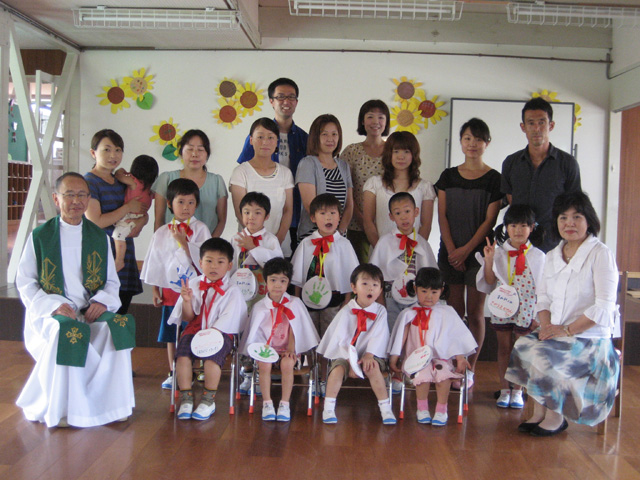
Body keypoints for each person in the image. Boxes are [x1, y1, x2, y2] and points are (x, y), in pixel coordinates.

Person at [15, 172, 135, 428]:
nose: (76, 201)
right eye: (69, 195)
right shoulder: (40, 236)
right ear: (56, 199)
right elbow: (26, 282)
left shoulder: (99, 237)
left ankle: (111, 405)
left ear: (89, 199)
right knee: (67, 332)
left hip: (89, 308)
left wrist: (102, 301)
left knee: (117, 326)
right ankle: (65, 409)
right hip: (55, 312)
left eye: (82, 195)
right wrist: (53, 306)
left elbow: (111, 281)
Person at [506, 191, 620, 437]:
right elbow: (543, 298)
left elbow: (604, 306)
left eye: (576, 217)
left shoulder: (600, 254)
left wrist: (567, 330)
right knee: (526, 345)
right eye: (563, 217)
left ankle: (556, 417)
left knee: (547, 353)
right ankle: (539, 412)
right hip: (557, 331)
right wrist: (546, 327)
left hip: (589, 338)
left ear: (589, 220)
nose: (569, 223)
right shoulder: (552, 255)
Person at [435, 118, 503, 382]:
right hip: (450, 251)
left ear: (487, 143)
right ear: (460, 142)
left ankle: (470, 369)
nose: (472, 144)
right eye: (467, 138)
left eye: (478, 139)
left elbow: (489, 221)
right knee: (453, 312)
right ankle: (454, 364)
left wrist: (465, 251)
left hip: (479, 254)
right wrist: (453, 249)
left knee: (475, 312)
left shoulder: (494, 179)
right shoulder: (448, 176)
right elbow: (442, 215)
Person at [139, 179, 211, 390]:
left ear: (196, 204)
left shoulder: (200, 229)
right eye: (181, 202)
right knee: (172, 332)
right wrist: (155, 289)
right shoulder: (162, 231)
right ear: (170, 203)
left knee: (193, 329)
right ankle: (173, 371)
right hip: (170, 291)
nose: (186, 207)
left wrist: (184, 242)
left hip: (194, 291)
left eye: (191, 202)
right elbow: (156, 262)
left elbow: (205, 259)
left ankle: (194, 369)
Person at [475, 204, 545, 409]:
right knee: (504, 347)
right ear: (506, 227)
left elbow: (543, 289)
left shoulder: (538, 256)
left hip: (527, 308)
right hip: (503, 307)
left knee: (521, 349)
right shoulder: (499, 253)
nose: (518, 230)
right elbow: (489, 281)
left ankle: (518, 390)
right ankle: (505, 389)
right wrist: (489, 260)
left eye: (523, 225)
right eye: (513, 225)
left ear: (532, 227)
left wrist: (539, 316)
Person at [169, 238, 248, 421]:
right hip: (195, 329)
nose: (214, 266)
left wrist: (209, 337)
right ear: (200, 263)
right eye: (209, 261)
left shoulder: (233, 291)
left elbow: (229, 321)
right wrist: (187, 301)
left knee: (212, 359)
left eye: (220, 262)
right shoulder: (193, 284)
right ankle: (186, 397)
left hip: (220, 333)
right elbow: (188, 317)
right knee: (182, 356)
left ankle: (208, 400)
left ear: (229, 265)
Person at [388, 268, 477, 426]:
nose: (429, 296)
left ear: (441, 291)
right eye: (424, 291)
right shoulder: (409, 313)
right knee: (422, 375)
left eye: (434, 292)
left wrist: (460, 358)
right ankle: (422, 408)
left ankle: (441, 409)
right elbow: (401, 337)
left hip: (441, 358)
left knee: (443, 375)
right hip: (417, 360)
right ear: (415, 289)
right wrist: (394, 358)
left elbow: (455, 336)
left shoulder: (447, 312)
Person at [291, 194, 359, 395]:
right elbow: (298, 276)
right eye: (322, 213)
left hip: (335, 301)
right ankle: (312, 376)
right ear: (313, 218)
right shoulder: (306, 244)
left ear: (339, 217)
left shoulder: (344, 244)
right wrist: (298, 302)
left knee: (328, 341)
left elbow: (350, 276)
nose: (328, 217)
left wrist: (347, 302)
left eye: (332, 213)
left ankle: (324, 378)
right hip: (308, 302)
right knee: (311, 339)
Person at [239, 257, 320, 422]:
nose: (278, 285)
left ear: (288, 282)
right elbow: (257, 333)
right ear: (266, 281)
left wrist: (291, 349)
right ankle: (267, 403)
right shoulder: (259, 306)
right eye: (273, 280)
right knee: (264, 364)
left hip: (289, 350)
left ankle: (284, 403)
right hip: (267, 349)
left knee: (287, 363)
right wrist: (264, 351)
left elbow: (296, 329)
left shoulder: (295, 303)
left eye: (283, 281)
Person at [317, 264, 395, 425]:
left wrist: (369, 355)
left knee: (373, 368)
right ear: (354, 287)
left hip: (371, 354)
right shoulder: (346, 310)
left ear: (381, 290)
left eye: (375, 285)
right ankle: (329, 407)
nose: (370, 289)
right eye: (365, 283)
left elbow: (379, 336)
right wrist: (350, 361)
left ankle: (385, 408)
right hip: (345, 355)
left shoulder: (381, 311)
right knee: (337, 370)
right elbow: (341, 338)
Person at [501, 97, 581, 253]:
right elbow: (511, 198)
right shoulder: (511, 162)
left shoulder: (567, 163)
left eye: (542, 122)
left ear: (551, 125)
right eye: (531, 123)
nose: (536, 128)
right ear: (523, 127)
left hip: (554, 244)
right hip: (518, 244)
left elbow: (574, 205)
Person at [237, 78, 308, 252]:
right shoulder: (257, 134)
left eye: (291, 97)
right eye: (280, 97)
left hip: (292, 213)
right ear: (271, 101)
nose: (286, 101)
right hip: (256, 219)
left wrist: (278, 238)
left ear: (297, 102)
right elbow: (244, 171)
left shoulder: (304, 138)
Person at [84, 129, 146, 314]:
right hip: (101, 256)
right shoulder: (89, 182)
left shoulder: (121, 181)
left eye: (118, 150)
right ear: (93, 153)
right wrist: (127, 208)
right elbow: (95, 221)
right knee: (99, 316)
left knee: (120, 316)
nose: (113, 155)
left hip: (125, 255)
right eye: (107, 149)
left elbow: (140, 209)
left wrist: (142, 221)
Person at [369, 192, 437, 330]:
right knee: (392, 331)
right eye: (398, 213)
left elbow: (431, 273)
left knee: (413, 332)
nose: (403, 217)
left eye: (407, 211)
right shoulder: (385, 242)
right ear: (391, 216)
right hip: (390, 297)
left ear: (416, 212)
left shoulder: (422, 243)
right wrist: (380, 300)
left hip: (416, 298)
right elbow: (375, 273)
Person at [230, 118, 294, 256]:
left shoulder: (285, 173)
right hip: (247, 245)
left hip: (279, 246)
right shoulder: (240, 172)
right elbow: (240, 211)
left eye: (270, 137)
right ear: (251, 140)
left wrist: (276, 241)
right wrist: (256, 246)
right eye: (260, 137)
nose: (265, 142)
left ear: (277, 142)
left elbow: (288, 210)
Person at [363, 131, 435, 247]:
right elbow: (368, 222)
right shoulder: (374, 184)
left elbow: (426, 225)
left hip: (413, 252)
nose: (401, 157)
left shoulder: (425, 187)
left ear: (413, 155)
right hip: (381, 252)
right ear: (389, 154)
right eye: (396, 151)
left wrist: (414, 250)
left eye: (406, 151)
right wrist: (381, 250)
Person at [153, 129, 227, 237]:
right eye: (190, 149)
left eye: (200, 149)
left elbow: (222, 220)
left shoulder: (217, 181)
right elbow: (159, 220)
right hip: (172, 243)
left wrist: (209, 244)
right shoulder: (166, 178)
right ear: (181, 152)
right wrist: (160, 242)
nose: (195, 154)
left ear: (207, 154)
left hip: (207, 244)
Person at [340, 99, 390, 262]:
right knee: (360, 271)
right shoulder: (351, 151)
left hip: (387, 224)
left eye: (381, 117)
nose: (376, 122)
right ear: (362, 121)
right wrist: (362, 220)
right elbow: (345, 189)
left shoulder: (393, 151)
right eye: (370, 117)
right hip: (357, 225)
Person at [296, 114, 353, 240]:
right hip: (313, 237)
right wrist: (327, 233)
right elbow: (310, 205)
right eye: (324, 134)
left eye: (334, 134)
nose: (330, 139)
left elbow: (349, 205)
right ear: (315, 137)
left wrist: (339, 233)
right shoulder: (307, 164)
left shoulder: (344, 166)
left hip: (338, 237)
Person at [113, 155, 158, 272]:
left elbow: (118, 175)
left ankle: (119, 260)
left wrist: (122, 170)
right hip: (140, 216)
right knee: (121, 233)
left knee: (118, 234)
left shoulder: (134, 182)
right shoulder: (150, 188)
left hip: (130, 216)